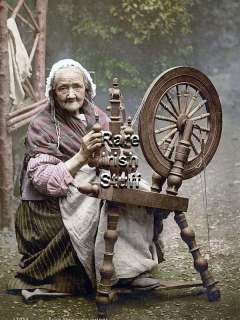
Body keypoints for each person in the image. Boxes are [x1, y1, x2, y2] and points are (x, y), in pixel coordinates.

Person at [9, 59, 161, 298]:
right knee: (103, 200)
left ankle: (131, 267)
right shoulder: (42, 125)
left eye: (76, 87)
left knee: (136, 190)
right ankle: (114, 273)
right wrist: (81, 155)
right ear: (53, 93)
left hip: (84, 182)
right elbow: (45, 181)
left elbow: (115, 152)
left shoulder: (96, 115)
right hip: (47, 205)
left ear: (87, 89)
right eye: (63, 89)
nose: (71, 95)